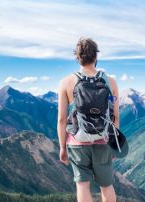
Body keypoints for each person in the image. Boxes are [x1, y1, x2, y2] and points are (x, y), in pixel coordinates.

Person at [57, 37, 119, 202]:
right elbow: (115, 117)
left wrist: (62, 147)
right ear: (96, 56)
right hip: (103, 140)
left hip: (77, 143)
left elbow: (62, 120)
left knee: (82, 186)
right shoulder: (110, 82)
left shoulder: (66, 82)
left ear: (77, 57)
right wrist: (114, 144)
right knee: (106, 185)